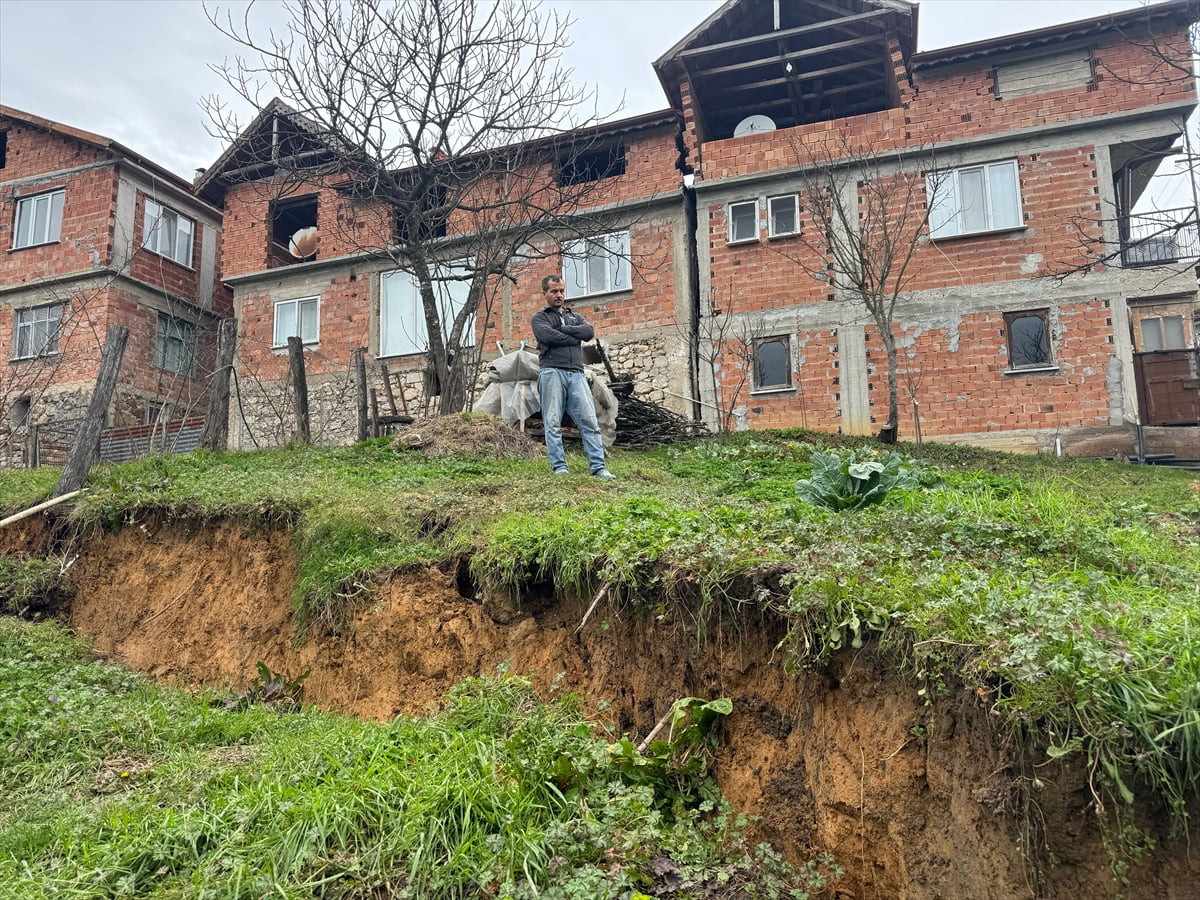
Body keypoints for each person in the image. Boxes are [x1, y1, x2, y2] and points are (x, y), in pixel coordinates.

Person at [531, 275, 615, 479]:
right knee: (552, 422)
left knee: (589, 421)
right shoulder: (540, 318)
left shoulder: (574, 317)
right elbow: (548, 336)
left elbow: (588, 332)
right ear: (545, 293)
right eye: (554, 291)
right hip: (552, 372)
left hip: (577, 374)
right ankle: (559, 467)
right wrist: (573, 338)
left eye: (561, 291)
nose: (559, 295)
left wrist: (564, 330)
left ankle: (599, 467)